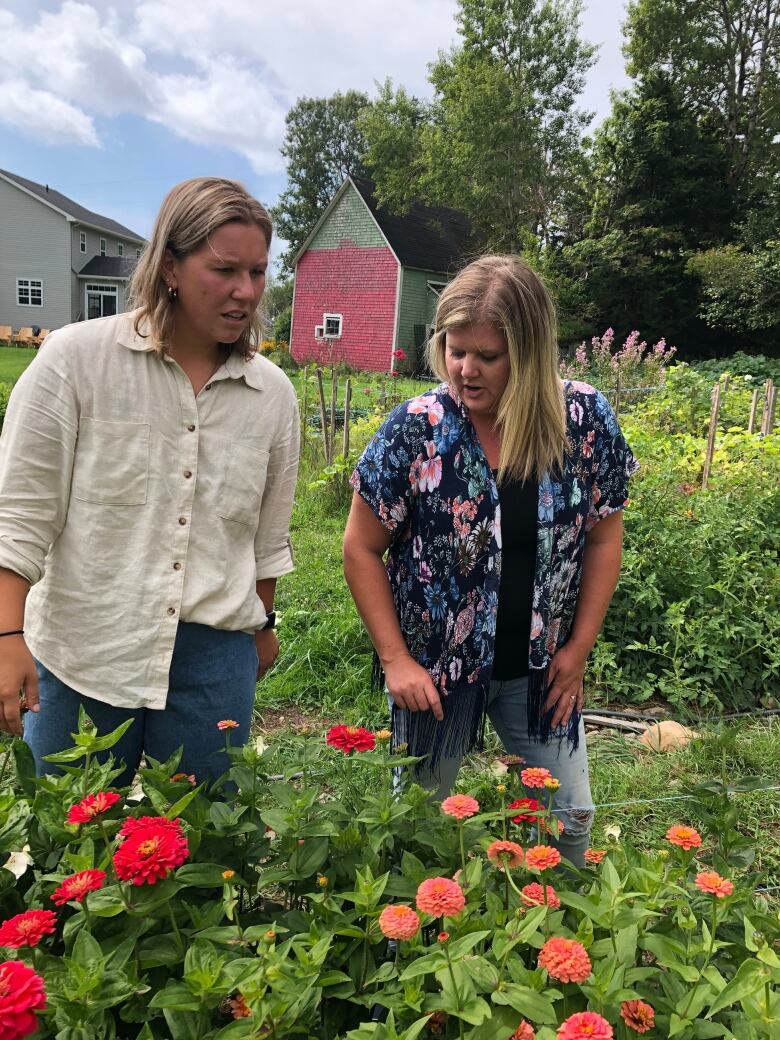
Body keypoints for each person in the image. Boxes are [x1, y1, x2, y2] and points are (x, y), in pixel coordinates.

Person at [0, 177, 299, 786]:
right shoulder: (74, 362)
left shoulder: (272, 394)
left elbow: (267, 538)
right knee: (65, 852)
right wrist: (7, 635)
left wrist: (260, 631)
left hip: (214, 665)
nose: (245, 291)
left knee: (204, 855)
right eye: (224, 270)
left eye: (258, 272)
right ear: (169, 266)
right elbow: (19, 518)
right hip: (85, 649)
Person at [343, 255, 637, 866]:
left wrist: (578, 651)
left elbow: (604, 539)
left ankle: (557, 944)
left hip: (539, 672)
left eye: (487, 356)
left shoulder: (580, 421)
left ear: (529, 355)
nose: (465, 370)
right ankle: (407, 949)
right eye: (454, 349)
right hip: (435, 677)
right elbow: (360, 547)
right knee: (415, 831)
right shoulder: (418, 429)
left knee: (573, 819)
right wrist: (395, 659)